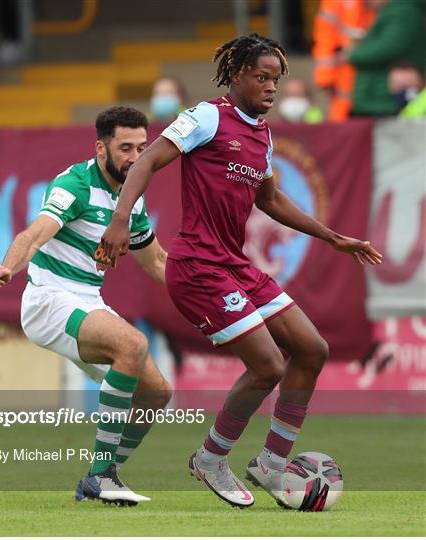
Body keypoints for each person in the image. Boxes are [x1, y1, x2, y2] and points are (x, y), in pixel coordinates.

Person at [101, 33, 383, 509]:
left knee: (311, 349)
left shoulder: (262, 133)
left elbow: (269, 198)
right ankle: (211, 458)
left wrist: (331, 235)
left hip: (234, 265)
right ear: (237, 76)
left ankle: (272, 464)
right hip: (197, 267)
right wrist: (120, 219)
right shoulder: (208, 117)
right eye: (261, 77)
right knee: (268, 364)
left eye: (276, 79)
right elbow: (148, 159)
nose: (271, 87)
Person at [0, 106, 171, 506]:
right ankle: (102, 476)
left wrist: (212, 296)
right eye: (125, 148)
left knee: (156, 393)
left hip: (87, 300)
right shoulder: (75, 184)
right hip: (49, 298)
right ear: (101, 148)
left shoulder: (131, 197)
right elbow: (33, 236)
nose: (136, 157)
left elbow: (155, 262)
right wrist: (6, 268)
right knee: (133, 345)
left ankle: (101, 475)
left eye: (141, 147)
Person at [349, 0, 426, 117]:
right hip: (382, 97)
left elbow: (389, 47)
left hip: (388, 98)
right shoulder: (397, 10)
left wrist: (353, 54)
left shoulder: (404, 11)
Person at [312, 0, 377, 121]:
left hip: (371, 74)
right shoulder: (333, 4)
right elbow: (324, 41)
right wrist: (325, 79)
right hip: (342, 76)